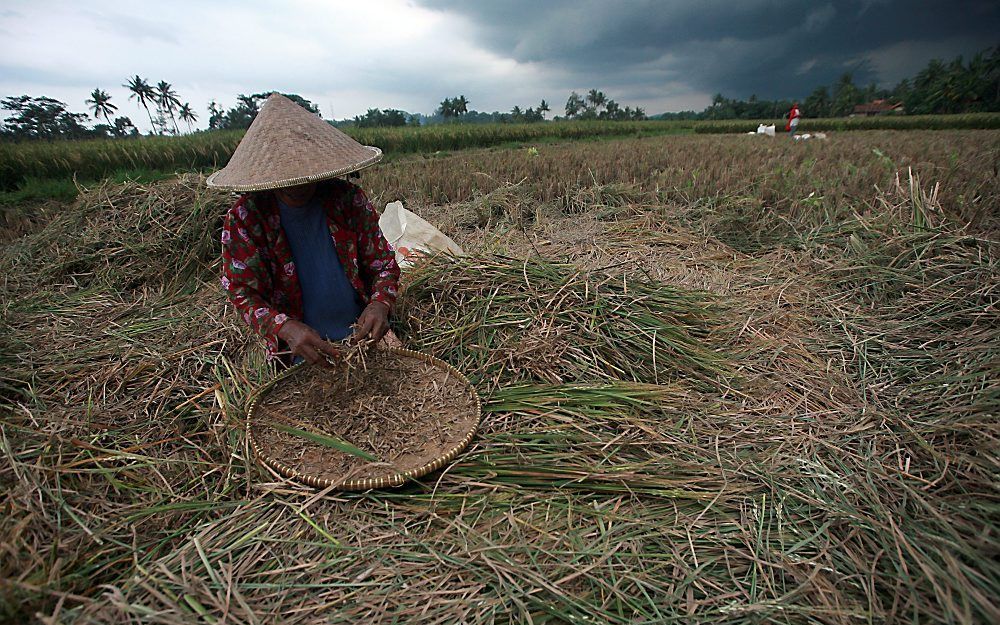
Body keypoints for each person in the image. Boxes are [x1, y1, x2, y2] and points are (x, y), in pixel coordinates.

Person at [209, 93, 400, 367]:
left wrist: (380, 303)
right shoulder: (246, 219)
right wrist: (284, 328)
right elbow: (241, 292)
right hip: (299, 352)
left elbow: (383, 264)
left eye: (303, 175)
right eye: (285, 177)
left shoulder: (347, 201)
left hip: (362, 337)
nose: (296, 185)